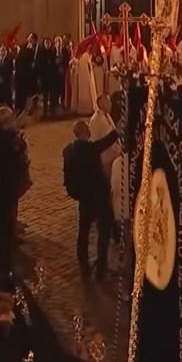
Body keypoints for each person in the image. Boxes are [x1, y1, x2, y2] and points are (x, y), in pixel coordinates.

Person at [63, 120, 119, 281]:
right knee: (104, 232)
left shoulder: (68, 150)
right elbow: (109, 139)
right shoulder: (91, 149)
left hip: (83, 198)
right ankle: (101, 268)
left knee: (84, 231)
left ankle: (83, 265)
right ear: (87, 132)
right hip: (98, 197)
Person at [0, 107, 31, 248]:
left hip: (9, 176)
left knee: (11, 207)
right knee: (5, 207)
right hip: (6, 176)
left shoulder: (2, 133)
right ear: (5, 121)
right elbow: (12, 154)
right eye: (11, 118)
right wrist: (20, 145)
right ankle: (4, 236)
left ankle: (10, 234)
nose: (13, 120)